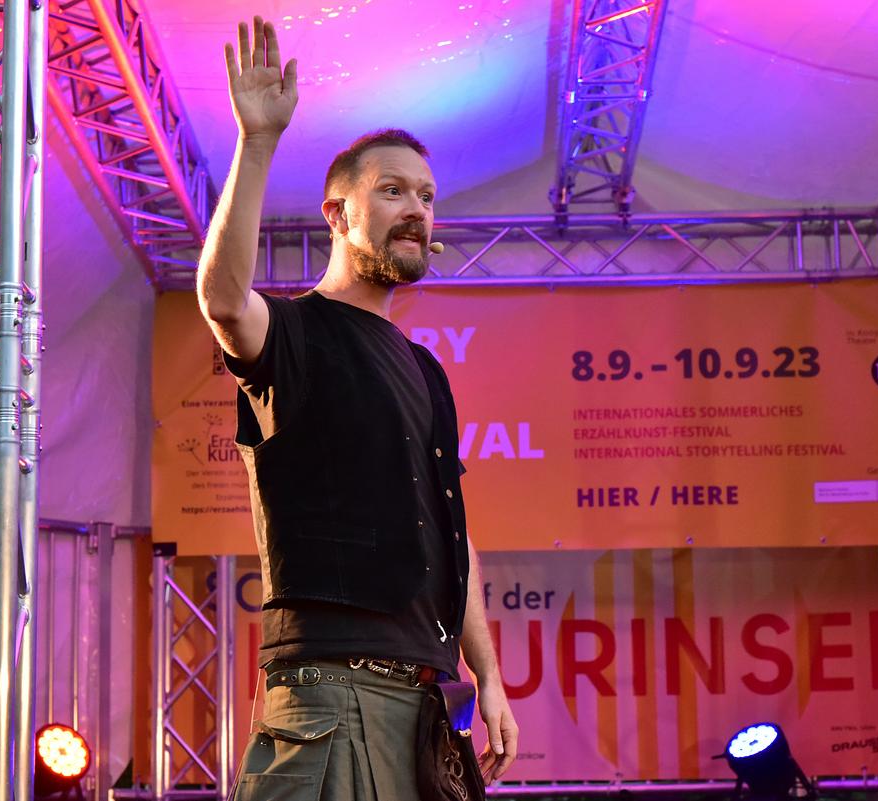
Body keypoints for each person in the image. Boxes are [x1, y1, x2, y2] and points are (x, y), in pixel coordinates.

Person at [197, 16, 518, 800]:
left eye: (428, 196)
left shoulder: (424, 370)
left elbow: (456, 533)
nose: (417, 209)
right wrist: (258, 141)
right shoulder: (297, 332)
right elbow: (222, 297)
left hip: (425, 702)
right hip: (329, 693)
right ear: (336, 214)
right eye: (392, 190)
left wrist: (490, 674)